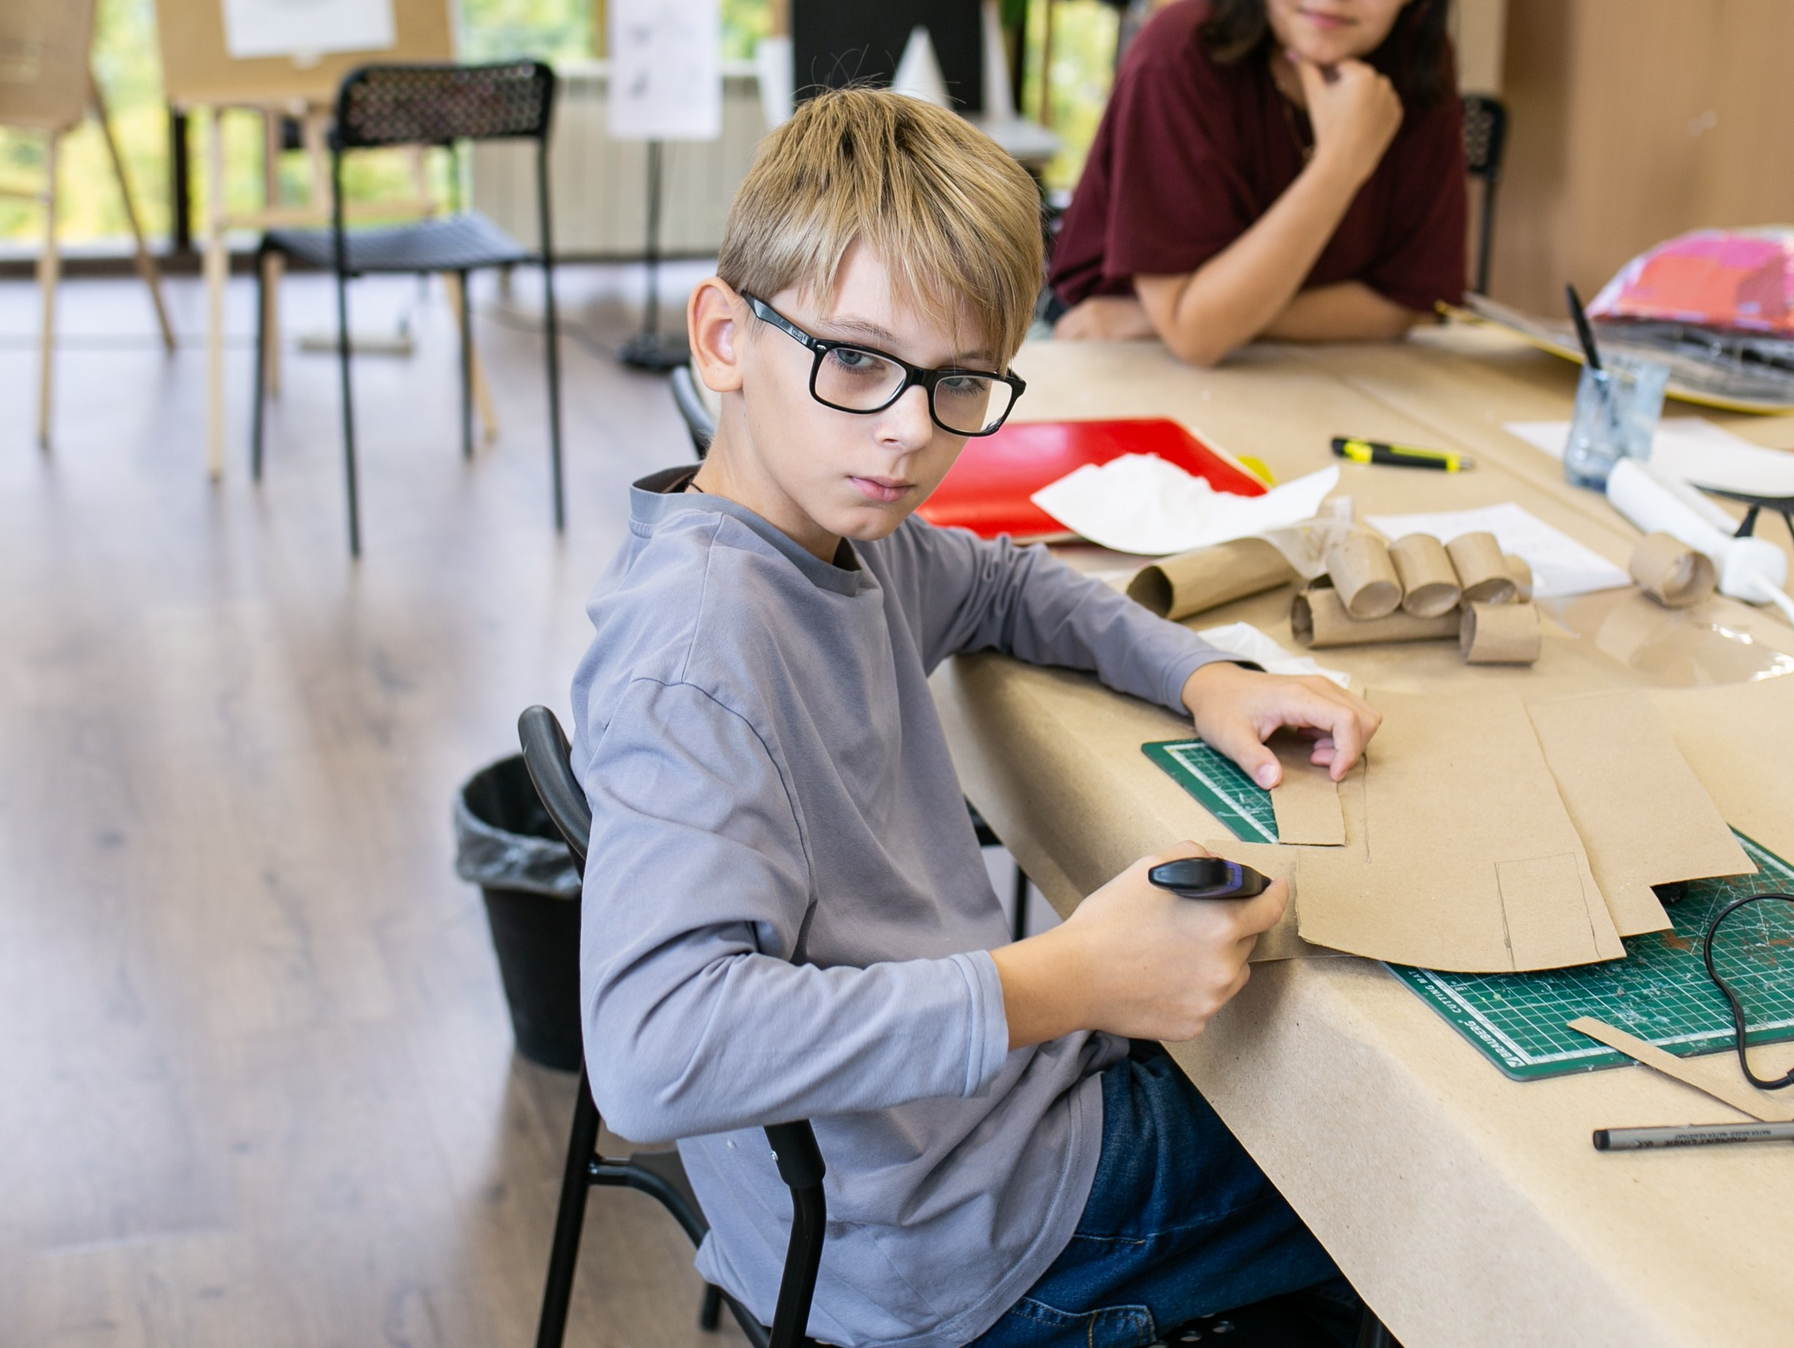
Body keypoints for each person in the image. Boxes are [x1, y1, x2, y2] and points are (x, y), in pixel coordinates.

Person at [569, 86, 1385, 1348]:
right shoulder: (699, 650)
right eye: (855, 359)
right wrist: (1061, 976)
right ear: (724, 337)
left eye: (959, 383)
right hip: (950, 1234)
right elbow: (651, 1049)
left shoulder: (833, 530)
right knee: (1388, 1163)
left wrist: (1199, 674)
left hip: (936, 1156)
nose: (906, 432)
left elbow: (1002, 579)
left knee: (1302, 1084)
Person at [1050, 0, 1467, 364]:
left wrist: (1168, 316)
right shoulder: (1177, 56)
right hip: (1128, 374)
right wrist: (1341, 163)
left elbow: (1407, 305)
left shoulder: (1417, 59)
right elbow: (1198, 339)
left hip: (1318, 377)